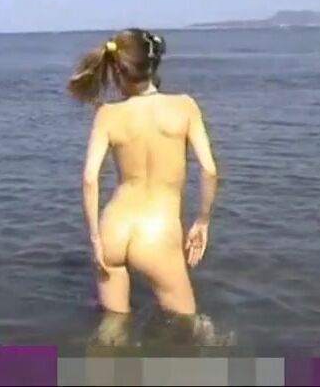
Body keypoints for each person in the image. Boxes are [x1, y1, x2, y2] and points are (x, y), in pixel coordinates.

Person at [67, 29, 218, 325]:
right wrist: (202, 221)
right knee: (189, 327)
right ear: (153, 65)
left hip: (114, 226)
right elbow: (209, 170)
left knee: (112, 329)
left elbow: (89, 179)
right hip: (157, 231)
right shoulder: (184, 106)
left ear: (117, 70)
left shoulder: (107, 114)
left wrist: (95, 238)